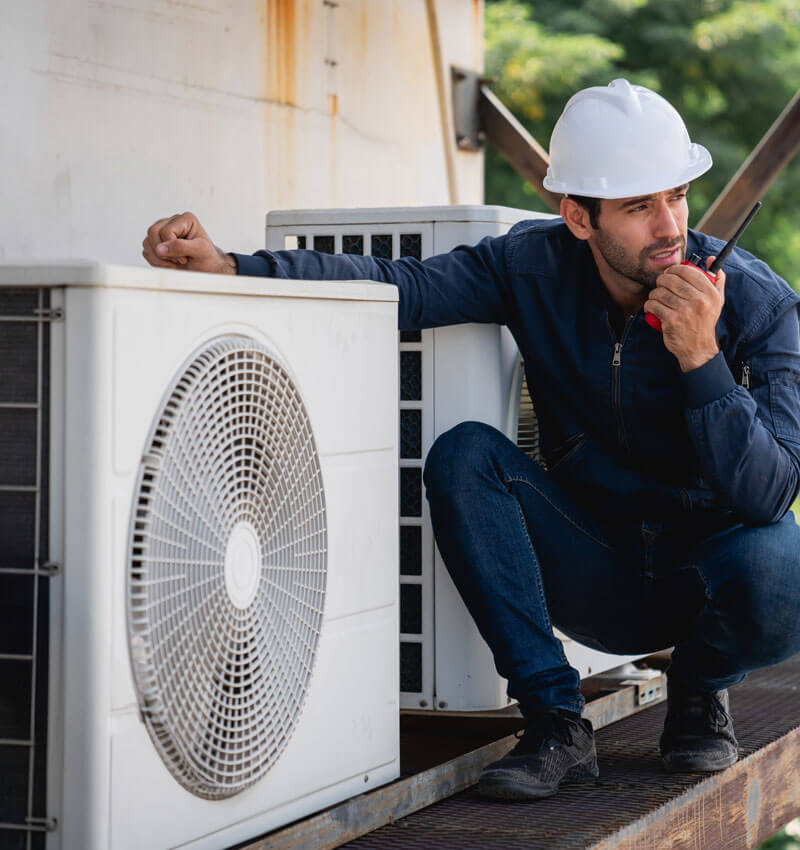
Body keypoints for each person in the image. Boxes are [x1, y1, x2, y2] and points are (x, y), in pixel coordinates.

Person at [143, 79, 800, 802]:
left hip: (702, 579)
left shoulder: (759, 303)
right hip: (592, 565)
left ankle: (700, 690)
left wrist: (702, 361)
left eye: (675, 196)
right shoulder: (530, 266)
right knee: (464, 455)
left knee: (784, 559)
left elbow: (768, 491)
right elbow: (399, 284)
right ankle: (556, 722)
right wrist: (235, 267)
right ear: (578, 217)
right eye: (639, 206)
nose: (670, 225)